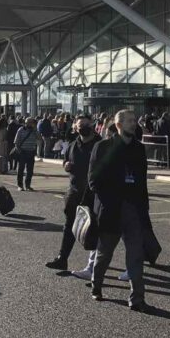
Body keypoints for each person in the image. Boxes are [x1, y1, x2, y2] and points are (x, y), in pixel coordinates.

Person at [89, 110, 152, 312]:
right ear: (118, 125)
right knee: (105, 253)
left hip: (133, 209)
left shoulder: (139, 149)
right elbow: (93, 181)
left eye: (135, 120)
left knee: (135, 254)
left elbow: (142, 181)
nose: (134, 124)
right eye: (130, 121)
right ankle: (96, 283)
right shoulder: (103, 147)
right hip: (111, 209)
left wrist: (144, 208)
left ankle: (137, 298)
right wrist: (108, 201)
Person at [46, 114, 100, 270]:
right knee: (69, 225)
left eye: (86, 124)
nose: (83, 127)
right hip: (74, 192)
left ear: (92, 126)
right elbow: (65, 161)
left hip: (93, 194)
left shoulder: (100, 145)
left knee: (95, 229)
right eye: (80, 125)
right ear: (75, 128)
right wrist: (66, 165)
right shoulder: (72, 145)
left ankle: (95, 265)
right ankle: (62, 258)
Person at [12, 117, 40, 191]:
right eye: (28, 122)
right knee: (21, 169)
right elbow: (16, 142)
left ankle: (28, 185)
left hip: (31, 152)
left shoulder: (34, 131)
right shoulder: (21, 130)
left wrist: (35, 130)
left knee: (30, 170)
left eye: (31, 123)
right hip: (23, 152)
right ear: (25, 123)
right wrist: (19, 151)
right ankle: (20, 185)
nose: (29, 124)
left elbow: (40, 138)